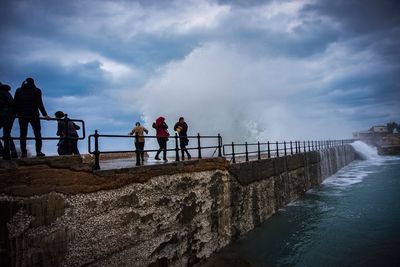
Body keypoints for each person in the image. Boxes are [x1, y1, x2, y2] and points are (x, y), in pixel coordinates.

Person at [14, 78, 50, 157]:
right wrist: (45, 114)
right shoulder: (36, 90)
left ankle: (24, 153)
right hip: (33, 115)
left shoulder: (18, 90)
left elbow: (15, 103)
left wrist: (15, 113)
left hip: (22, 115)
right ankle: (38, 152)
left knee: (23, 135)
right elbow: (39, 103)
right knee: (37, 134)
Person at [0, 82, 18, 160]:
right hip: (11, 115)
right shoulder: (6, 92)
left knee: (6, 134)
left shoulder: (1, 92)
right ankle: (13, 151)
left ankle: (3, 152)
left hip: (4, 115)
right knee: (7, 134)